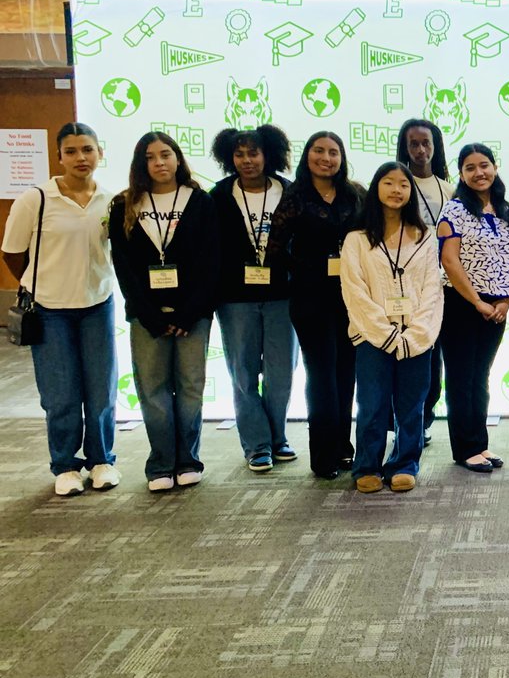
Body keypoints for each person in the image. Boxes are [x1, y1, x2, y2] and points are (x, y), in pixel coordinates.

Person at [1, 124, 118, 496]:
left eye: (88, 149)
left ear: (100, 152)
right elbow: (12, 254)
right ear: (59, 157)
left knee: (101, 391)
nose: (81, 158)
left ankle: (102, 461)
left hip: (97, 305)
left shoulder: (110, 200)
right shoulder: (36, 199)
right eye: (71, 151)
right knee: (60, 393)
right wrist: (43, 284)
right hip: (50, 311)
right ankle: (65, 465)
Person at [109, 132, 218, 492]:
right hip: (146, 316)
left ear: (177, 158)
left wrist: (188, 313)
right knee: (152, 389)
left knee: (190, 387)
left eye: (165, 155)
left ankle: (188, 460)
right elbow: (123, 267)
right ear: (141, 164)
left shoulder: (199, 201)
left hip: (193, 314)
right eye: (150, 157)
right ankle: (160, 464)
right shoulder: (124, 205)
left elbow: (209, 262)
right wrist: (150, 315)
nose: (159, 163)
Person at [267, 131, 365, 480]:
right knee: (322, 378)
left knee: (346, 376)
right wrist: (304, 272)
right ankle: (322, 456)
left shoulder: (355, 194)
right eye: (319, 151)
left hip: (352, 299)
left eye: (334, 152)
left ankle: (343, 449)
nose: (327, 158)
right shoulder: (294, 197)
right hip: (311, 301)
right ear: (307, 156)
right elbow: (274, 251)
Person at [340, 162, 443, 494]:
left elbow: (432, 288)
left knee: (412, 406)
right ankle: (367, 465)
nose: (397, 190)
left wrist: (416, 333)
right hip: (372, 337)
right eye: (389, 183)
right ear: (376, 188)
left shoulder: (424, 236)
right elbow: (354, 291)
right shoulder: (356, 239)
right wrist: (384, 332)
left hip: (416, 336)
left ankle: (404, 463)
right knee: (372, 404)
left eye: (404, 185)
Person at [209, 124, 298, 474]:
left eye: (254, 153)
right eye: (239, 154)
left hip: (282, 295)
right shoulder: (217, 196)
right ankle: (257, 445)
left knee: (282, 373)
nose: (246, 160)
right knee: (243, 372)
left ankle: (277, 438)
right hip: (236, 298)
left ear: (268, 154)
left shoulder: (289, 192)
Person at [437, 144, 509, 473]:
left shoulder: (508, 211)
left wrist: (506, 300)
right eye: (470, 167)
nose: (479, 172)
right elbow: (450, 261)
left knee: (480, 377)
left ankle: (480, 445)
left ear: (495, 167)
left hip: (497, 306)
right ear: (461, 174)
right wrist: (478, 301)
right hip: (460, 303)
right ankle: (464, 449)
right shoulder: (453, 211)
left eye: (484, 165)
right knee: (460, 377)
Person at [397, 118, 454, 447]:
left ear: (435, 146)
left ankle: (424, 418)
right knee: (411, 359)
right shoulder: (397, 185)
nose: (420, 150)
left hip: (444, 286)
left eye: (426, 143)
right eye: (413, 143)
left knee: (435, 366)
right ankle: (406, 424)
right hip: (406, 287)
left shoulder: (449, 189)